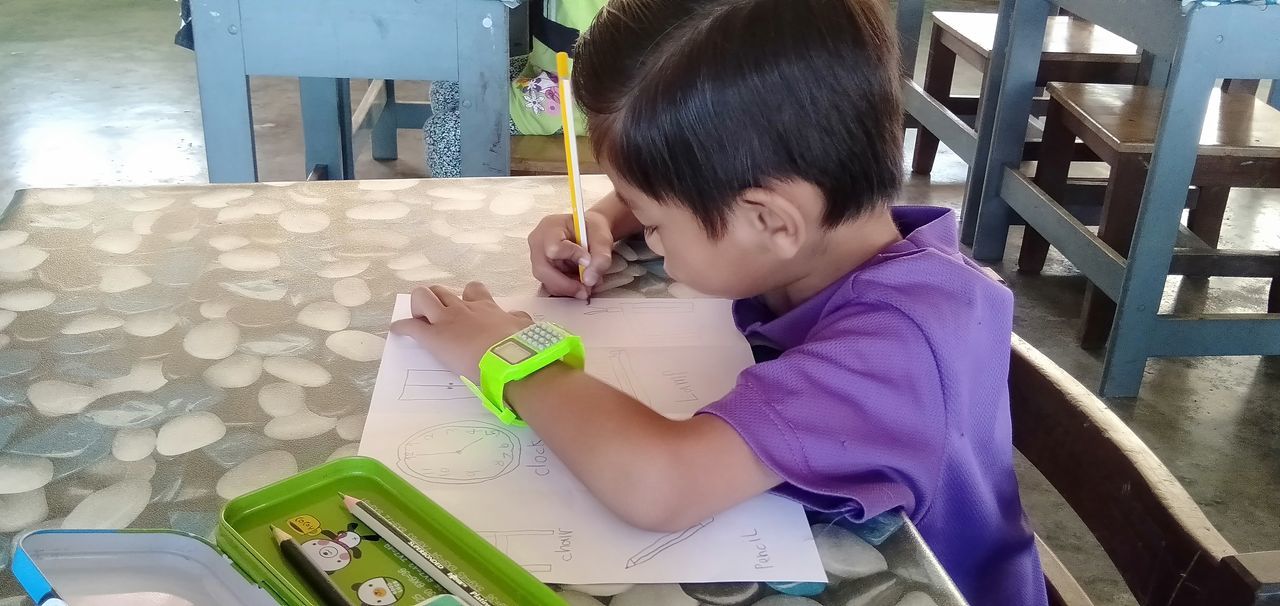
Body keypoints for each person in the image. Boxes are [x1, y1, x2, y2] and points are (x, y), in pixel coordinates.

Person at [395, 0, 1048, 603]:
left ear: (768, 221)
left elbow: (659, 484)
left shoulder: (894, 352)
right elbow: (696, 199)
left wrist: (503, 348)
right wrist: (603, 221)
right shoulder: (841, 242)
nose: (644, 232)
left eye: (653, 221)